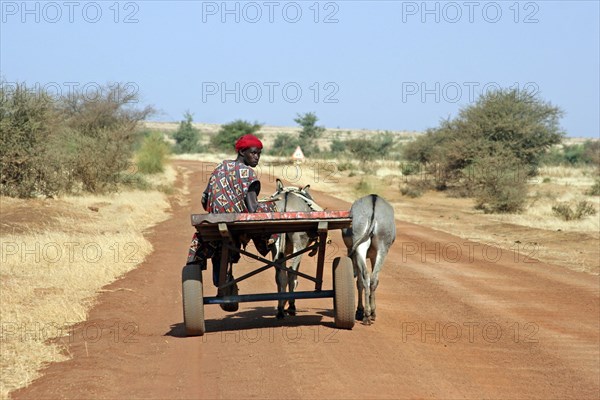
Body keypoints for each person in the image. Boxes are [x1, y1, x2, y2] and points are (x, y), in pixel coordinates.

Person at [186, 134, 275, 311]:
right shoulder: (247, 172)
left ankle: (223, 283)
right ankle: (271, 247)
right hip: (238, 224)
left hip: (216, 224)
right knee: (271, 211)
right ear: (242, 152)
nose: (257, 157)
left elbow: (205, 199)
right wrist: (269, 211)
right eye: (254, 153)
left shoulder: (220, 167)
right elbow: (252, 207)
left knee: (219, 246)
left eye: (259, 154)